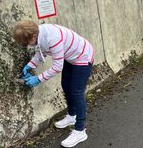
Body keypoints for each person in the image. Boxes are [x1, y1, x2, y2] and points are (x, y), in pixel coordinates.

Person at [13, 20, 94, 148]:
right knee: (66, 85)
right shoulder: (39, 34)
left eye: (26, 43)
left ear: (34, 36)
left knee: (76, 91)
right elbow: (40, 52)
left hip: (82, 56)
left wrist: (38, 79)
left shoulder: (52, 37)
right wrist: (29, 65)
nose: (27, 46)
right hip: (69, 56)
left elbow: (57, 67)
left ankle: (80, 130)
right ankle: (72, 116)